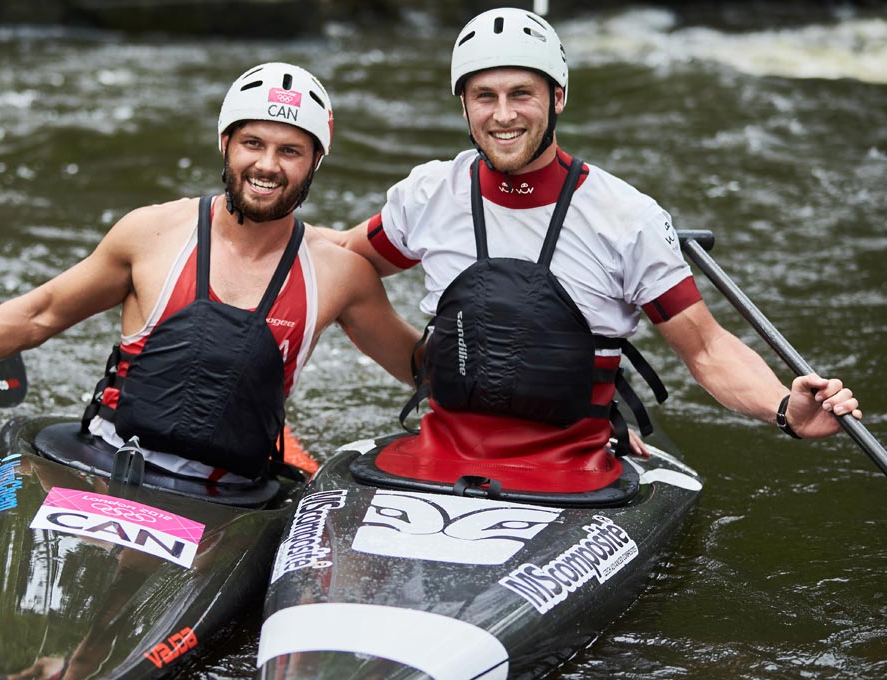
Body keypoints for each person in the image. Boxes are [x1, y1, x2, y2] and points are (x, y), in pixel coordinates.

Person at [322, 8, 861, 494]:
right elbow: (344, 260)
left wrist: (786, 410)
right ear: (464, 104)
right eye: (485, 96)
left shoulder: (627, 219)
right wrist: (247, 225)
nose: (503, 114)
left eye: (522, 94)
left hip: (572, 471)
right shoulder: (430, 192)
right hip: (433, 455)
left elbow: (706, 348)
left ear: (557, 98)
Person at [0, 62, 420, 483]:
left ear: (316, 159)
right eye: (252, 143)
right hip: (110, 463)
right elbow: (38, 315)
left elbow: (426, 375)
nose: (267, 165)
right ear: (225, 143)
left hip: (237, 494)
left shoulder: (339, 273)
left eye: (290, 151)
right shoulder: (150, 234)